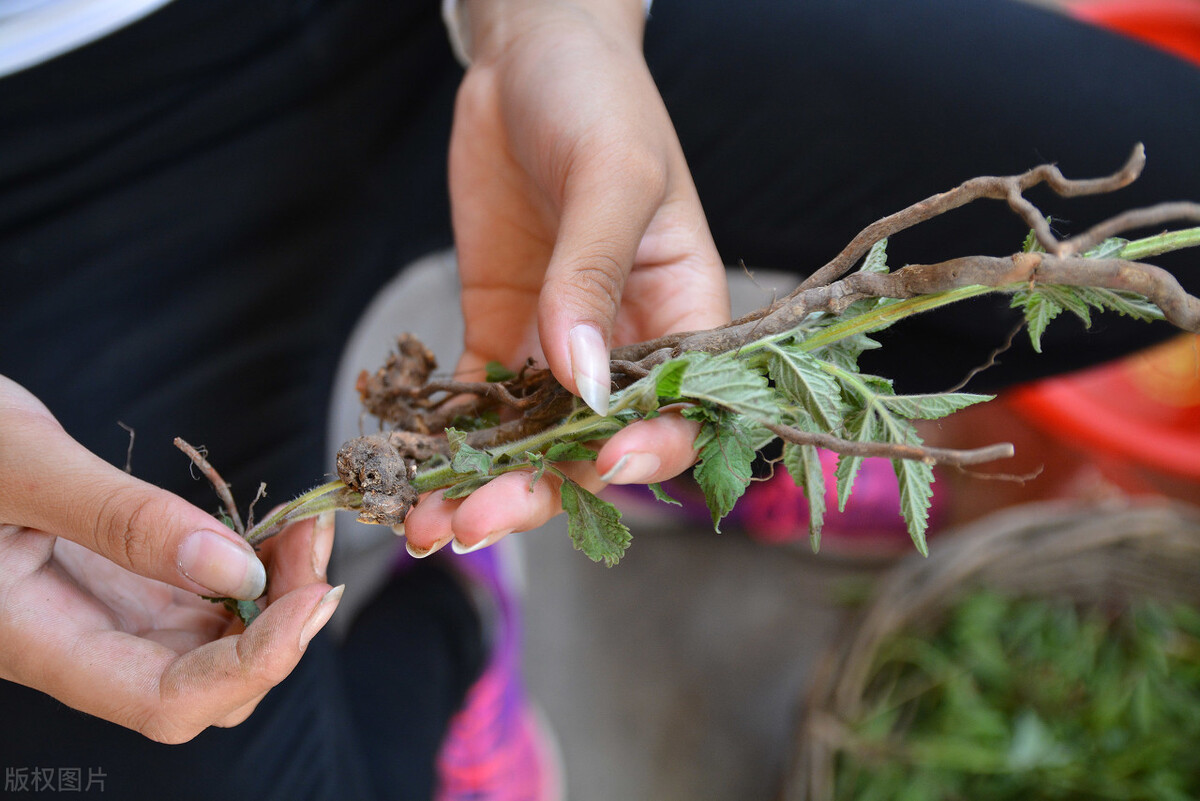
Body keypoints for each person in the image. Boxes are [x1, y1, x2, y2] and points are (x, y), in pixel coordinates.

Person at [1, 0, 1197, 798]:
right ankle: (459, 638)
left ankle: (737, 447)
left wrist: (559, 26)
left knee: (1161, 169)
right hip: (44, 167)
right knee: (162, 707)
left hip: (430, 25)